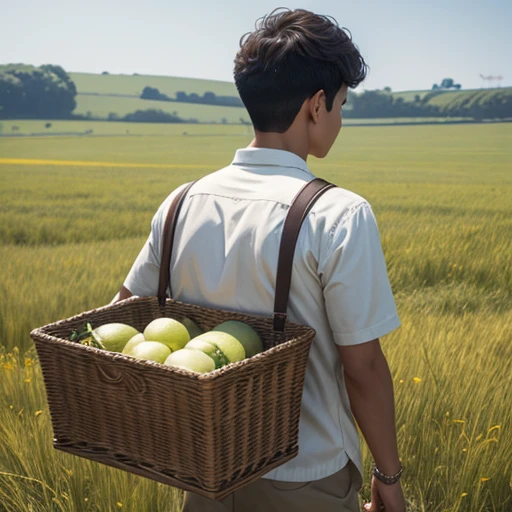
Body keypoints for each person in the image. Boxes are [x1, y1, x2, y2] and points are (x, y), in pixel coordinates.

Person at [113, 8, 406, 512]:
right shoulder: (339, 213)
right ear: (316, 106)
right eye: (339, 104)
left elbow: (123, 315)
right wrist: (388, 476)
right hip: (306, 477)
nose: (339, 118)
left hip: (204, 470)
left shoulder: (182, 201)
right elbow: (363, 369)